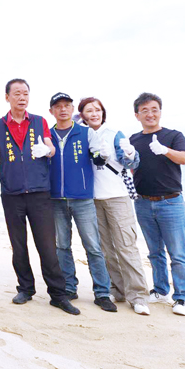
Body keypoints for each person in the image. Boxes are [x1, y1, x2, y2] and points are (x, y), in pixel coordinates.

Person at [0, 79, 80, 315]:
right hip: (12, 195)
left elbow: (50, 148)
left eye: (25, 93)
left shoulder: (39, 122)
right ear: (7, 97)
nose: (22, 97)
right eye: (17, 93)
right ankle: (25, 288)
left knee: (47, 246)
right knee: (18, 245)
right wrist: (6, 179)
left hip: (39, 193)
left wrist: (47, 151)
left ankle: (58, 294)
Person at [79, 97, 150, 315]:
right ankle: (116, 289)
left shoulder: (114, 133)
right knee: (105, 248)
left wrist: (130, 154)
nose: (94, 113)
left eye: (97, 110)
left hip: (117, 196)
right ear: (82, 115)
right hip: (92, 199)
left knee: (126, 246)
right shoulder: (82, 135)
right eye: (89, 110)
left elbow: (130, 162)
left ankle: (138, 296)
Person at [48, 93, 117, 312]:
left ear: (73, 110)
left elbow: (97, 156)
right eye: (57, 107)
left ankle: (102, 292)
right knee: (61, 246)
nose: (62, 110)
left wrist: (102, 156)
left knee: (93, 246)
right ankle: (69, 287)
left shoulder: (85, 133)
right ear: (51, 111)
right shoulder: (46, 135)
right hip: (56, 199)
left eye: (66, 106)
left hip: (83, 198)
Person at [130, 92, 185, 316]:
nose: (150, 114)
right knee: (154, 252)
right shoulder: (133, 140)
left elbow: (183, 158)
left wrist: (165, 150)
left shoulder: (174, 136)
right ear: (137, 115)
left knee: (177, 253)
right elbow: (130, 168)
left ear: (160, 112)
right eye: (144, 110)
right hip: (143, 202)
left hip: (171, 202)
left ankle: (183, 297)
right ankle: (160, 290)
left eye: (154, 109)